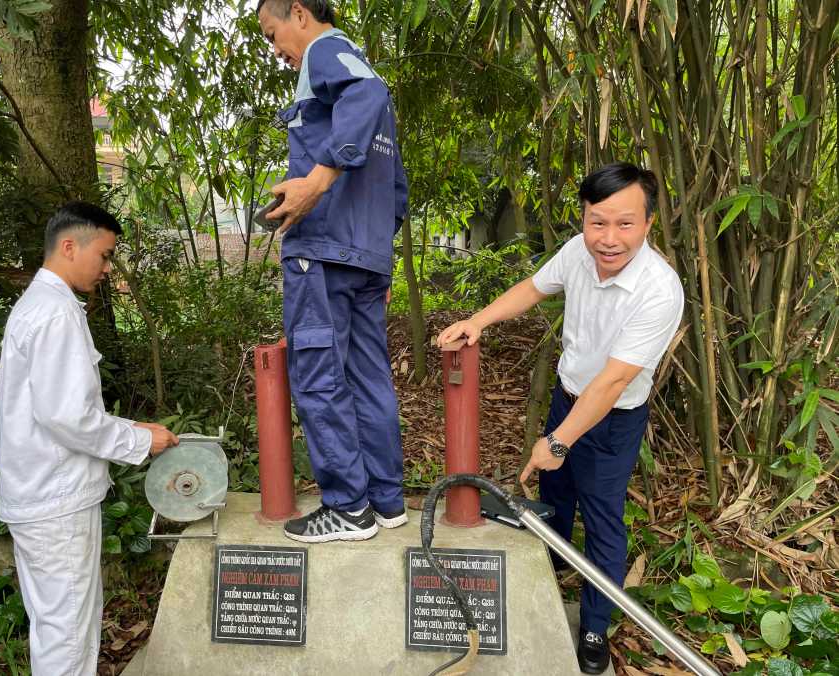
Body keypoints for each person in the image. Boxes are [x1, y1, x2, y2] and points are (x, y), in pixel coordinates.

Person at [438, 163, 684, 674]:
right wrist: (476, 321)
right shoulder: (577, 251)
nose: (609, 238)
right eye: (598, 222)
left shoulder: (660, 290)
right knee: (555, 498)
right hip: (568, 397)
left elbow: (613, 383)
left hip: (613, 420)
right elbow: (533, 287)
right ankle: (548, 573)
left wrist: (556, 443)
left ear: (648, 224)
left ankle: (594, 627)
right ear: (584, 218)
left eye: (625, 224)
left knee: (602, 522)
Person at [0, 201, 179, 675]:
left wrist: (136, 429)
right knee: (69, 635)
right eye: (105, 254)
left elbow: (56, 410)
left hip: (40, 496)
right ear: (70, 245)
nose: (107, 267)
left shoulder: (38, 305)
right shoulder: (56, 313)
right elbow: (68, 418)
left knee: (55, 626)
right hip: (57, 503)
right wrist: (140, 444)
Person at [257, 0, 409, 543]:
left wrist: (316, 181)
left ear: (299, 13)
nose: (276, 50)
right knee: (369, 377)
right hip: (365, 256)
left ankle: (347, 507)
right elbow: (396, 190)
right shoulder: (359, 66)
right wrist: (379, 263)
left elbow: (364, 96)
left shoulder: (326, 52)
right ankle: (386, 500)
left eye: (274, 34)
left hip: (321, 253)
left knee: (319, 377)